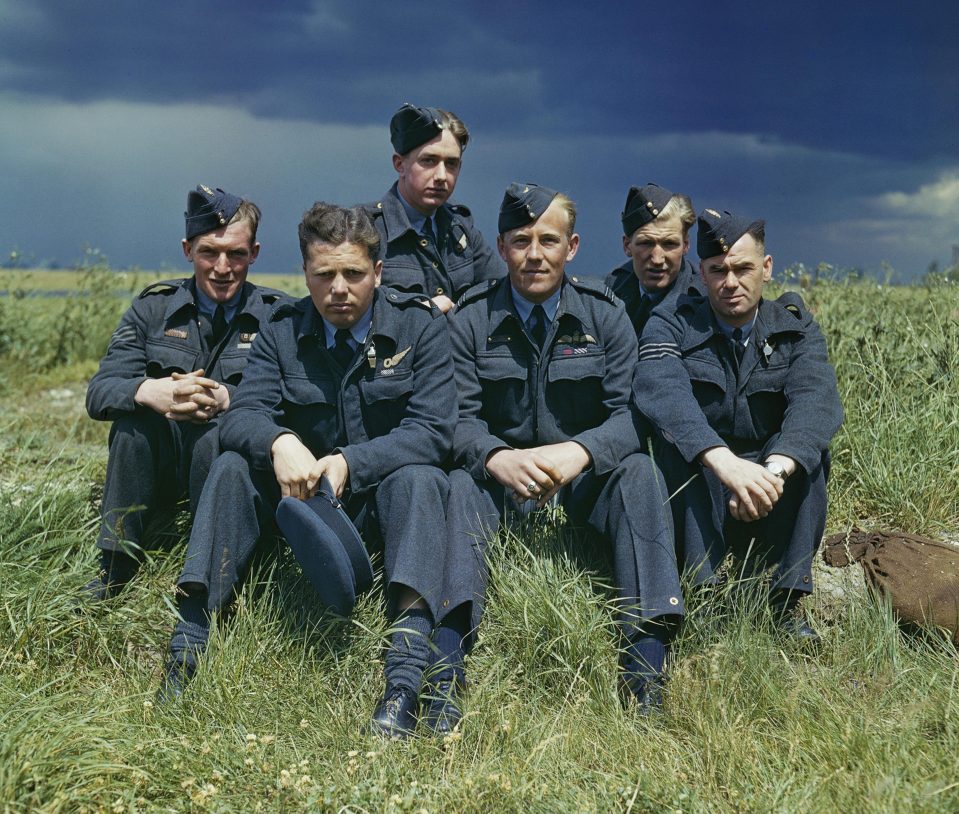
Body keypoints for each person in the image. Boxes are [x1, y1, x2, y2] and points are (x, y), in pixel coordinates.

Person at [157, 203, 458, 741]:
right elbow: (243, 415)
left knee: (423, 479)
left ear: (379, 272)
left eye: (354, 274)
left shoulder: (421, 328)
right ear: (306, 275)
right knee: (230, 465)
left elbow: (434, 432)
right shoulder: (282, 330)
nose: (339, 289)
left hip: (380, 506)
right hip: (300, 513)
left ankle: (405, 677)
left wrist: (350, 462)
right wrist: (280, 440)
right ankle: (189, 642)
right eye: (324, 275)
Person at [444, 183, 679, 716]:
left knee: (639, 473)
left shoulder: (605, 315)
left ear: (571, 248)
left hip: (581, 482)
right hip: (502, 483)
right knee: (458, 483)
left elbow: (631, 414)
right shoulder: (471, 318)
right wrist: (495, 457)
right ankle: (448, 660)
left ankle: (646, 667)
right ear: (502, 247)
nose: (534, 255)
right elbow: (454, 419)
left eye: (548, 241)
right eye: (520, 240)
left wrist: (581, 453)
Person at [633, 208, 843, 641]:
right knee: (677, 449)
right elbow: (663, 393)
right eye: (718, 270)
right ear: (702, 273)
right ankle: (703, 597)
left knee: (812, 456)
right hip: (705, 481)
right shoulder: (671, 323)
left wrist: (770, 474)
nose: (730, 282)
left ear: (766, 269)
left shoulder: (795, 328)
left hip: (769, 481)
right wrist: (724, 464)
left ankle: (784, 602)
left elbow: (816, 402)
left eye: (743, 268)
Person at [84, 185, 286, 601]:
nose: (223, 267)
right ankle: (116, 564)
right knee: (130, 424)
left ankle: (212, 563)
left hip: (226, 472)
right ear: (187, 250)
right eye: (209, 252)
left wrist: (228, 399)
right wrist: (149, 390)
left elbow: (293, 401)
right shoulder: (152, 309)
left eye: (237, 254)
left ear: (255, 253)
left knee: (218, 432)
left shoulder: (278, 316)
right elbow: (100, 392)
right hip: (159, 468)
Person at [360, 103, 503, 313]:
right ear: (400, 165)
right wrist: (421, 311)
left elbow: (503, 289)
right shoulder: (364, 229)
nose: (441, 176)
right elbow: (349, 309)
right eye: (429, 161)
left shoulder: (460, 228)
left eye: (451, 164)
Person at [605, 182, 703, 337]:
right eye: (646, 243)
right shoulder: (610, 291)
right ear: (627, 245)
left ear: (686, 245)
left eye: (669, 244)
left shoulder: (705, 302)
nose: (657, 259)